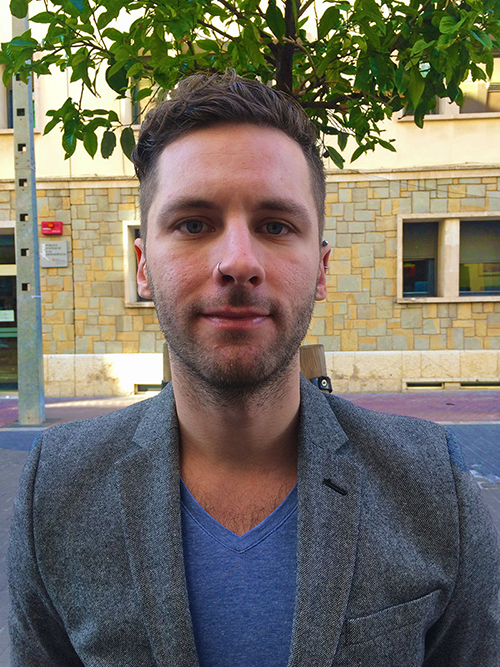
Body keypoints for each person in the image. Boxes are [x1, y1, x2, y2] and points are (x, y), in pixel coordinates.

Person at [8, 71, 499, 667]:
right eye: (194, 224)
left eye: (274, 226)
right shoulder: (56, 491)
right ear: (143, 265)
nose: (237, 263)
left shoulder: (431, 489)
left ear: (321, 271)